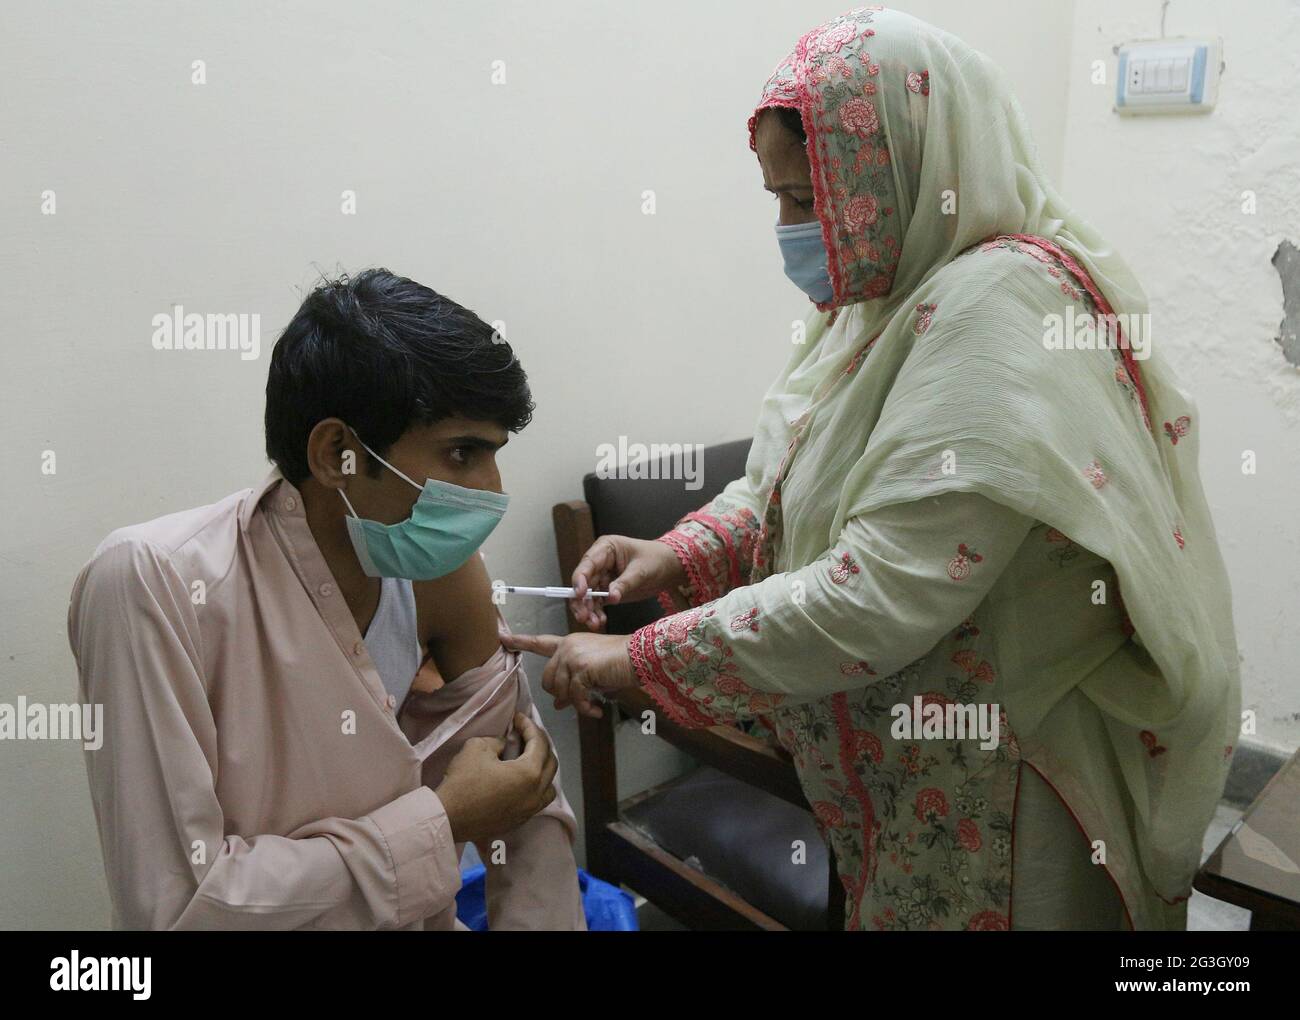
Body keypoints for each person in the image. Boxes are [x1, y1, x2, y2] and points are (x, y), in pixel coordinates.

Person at [504, 6, 1240, 931]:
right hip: (902, 777)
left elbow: (873, 592)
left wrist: (634, 660)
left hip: (1002, 793)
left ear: (897, 172)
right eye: (775, 199)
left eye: (807, 202)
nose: (787, 231)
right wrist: (679, 555)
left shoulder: (1000, 307)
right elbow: (790, 484)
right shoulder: (879, 302)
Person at [67, 268, 585, 930]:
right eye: (461, 453)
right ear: (337, 452)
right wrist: (444, 820)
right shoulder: (152, 584)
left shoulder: (443, 575)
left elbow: (525, 799)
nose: (490, 488)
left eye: (494, 454)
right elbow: (177, 909)